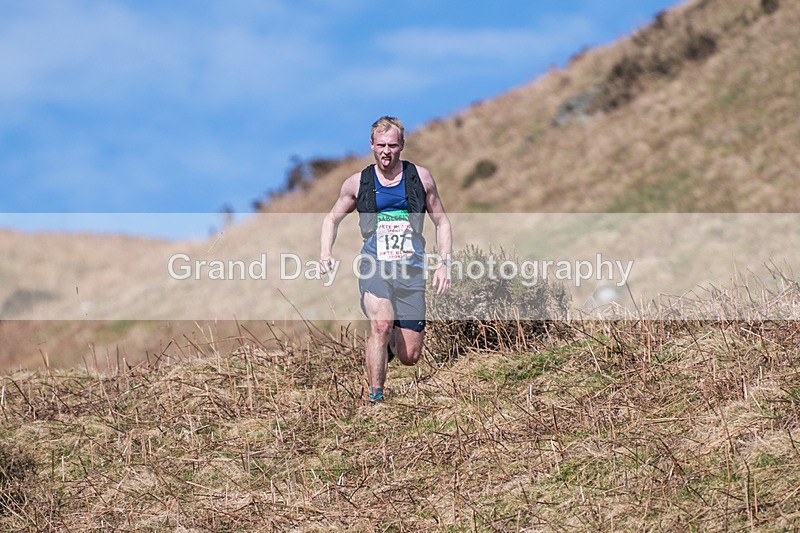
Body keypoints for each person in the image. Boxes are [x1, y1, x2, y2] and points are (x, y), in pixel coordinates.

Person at [320, 116, 452, 402]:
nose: (386, 151)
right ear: (371, 145)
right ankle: (376, 396)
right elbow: (331, 219)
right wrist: (326, 254)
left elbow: (442, 222)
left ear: (402, 145)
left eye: (392, 145)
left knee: (410, 356)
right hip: (374, 265)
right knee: (381, 324)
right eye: (381, 145)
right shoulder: (358, 183)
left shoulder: (421, 178)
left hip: (412, 270)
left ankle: (387, 348)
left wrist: (444, 263)